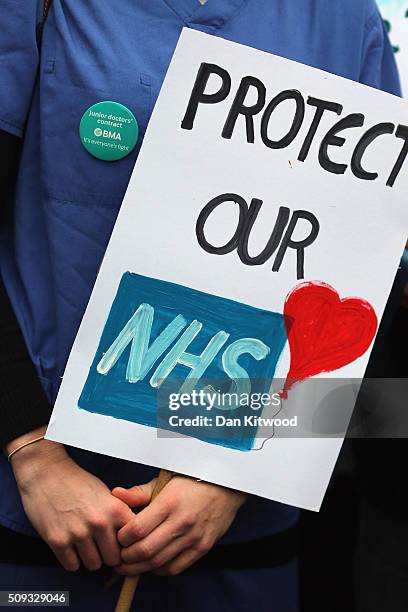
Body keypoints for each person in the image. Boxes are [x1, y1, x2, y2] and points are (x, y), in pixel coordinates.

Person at [0, 1, 401, 610]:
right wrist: (33, 454)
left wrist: (236, 477)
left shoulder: (345, 20)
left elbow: (360, 292)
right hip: (40, 523)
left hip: (238, 532)